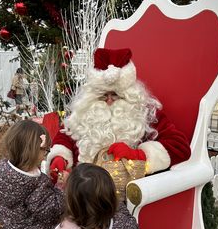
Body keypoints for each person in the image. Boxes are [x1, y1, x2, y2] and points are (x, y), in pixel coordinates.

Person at [47, 48, 191, 183]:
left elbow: (180, 147)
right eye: (103, 95)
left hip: (126, 194)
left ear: (129, 94)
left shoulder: (144, 113)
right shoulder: (84, 113)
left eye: (115, 95)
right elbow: (65, 137)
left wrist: (138, 155)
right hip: (82, 190)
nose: (109, 101)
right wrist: (60, 157)